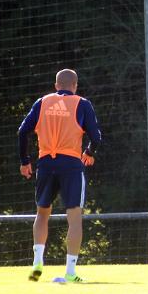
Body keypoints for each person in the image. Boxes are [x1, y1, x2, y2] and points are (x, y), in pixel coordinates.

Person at [18, 69, 102, 282]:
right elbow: (96, 137)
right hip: (71, 164)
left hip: (46, 163)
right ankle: (71, 272)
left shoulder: (42, 102)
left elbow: (22, 131)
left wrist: (25, 161)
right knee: (74, 218)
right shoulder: (82, 104)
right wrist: (89, 152)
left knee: (42, 213)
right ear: (74, 85)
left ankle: (37, 265)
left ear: (56, 85)